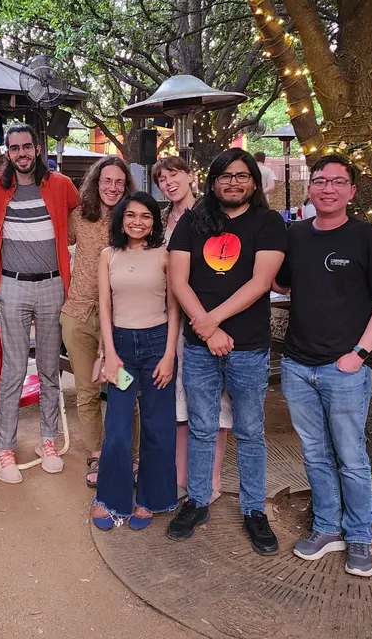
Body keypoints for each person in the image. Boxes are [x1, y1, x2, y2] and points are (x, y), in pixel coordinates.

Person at [275, 155, 372, 578]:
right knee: (314, 452)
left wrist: (360, 353)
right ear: (309, 189)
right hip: (297, 365)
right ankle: (327, 527)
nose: (327, 188)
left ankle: (360, 535)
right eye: (319, 181)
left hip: (343, 367)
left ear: (350, 190)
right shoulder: (296, 235)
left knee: (350, 455)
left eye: (337, 182)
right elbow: (282, 282)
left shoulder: (367, 237)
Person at [166, 148, 286, 554]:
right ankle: (198, 501)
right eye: (224, 176)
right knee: (201, 427)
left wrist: (208, 322)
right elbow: (179, 280)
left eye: (241, 175)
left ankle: (254, 509)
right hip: (200, 349)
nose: (232, 182)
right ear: (213, 181)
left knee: (250, 431)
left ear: (253, 181)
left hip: (248, 347)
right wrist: (206, 329)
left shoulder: (268, 223)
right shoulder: (192, 222)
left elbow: (261, 282)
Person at [0, 123, 79, 483]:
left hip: (53, 284)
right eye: (14, 148)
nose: (21, 153)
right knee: (13, 368)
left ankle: (47, 440)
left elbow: (83, 219)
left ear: (37, 149)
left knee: (50, 368)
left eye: (27, 146)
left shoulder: (62, 186)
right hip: (13, 286)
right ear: (7, 153)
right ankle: (5, 446)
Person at [92, 192, 179, 530]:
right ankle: (110, 498)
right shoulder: (108, 255)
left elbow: (174, 308)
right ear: (121, 219)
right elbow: (104, 305)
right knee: (116, 429)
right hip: (121, 347)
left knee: (158, 427)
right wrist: (109, 354)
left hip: (157, 344)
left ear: (154, 222)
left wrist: (169, 354)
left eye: (145, 216)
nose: (137, 222)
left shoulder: (163, 255)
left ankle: (151, 499)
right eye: (131, 215)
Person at [151, 156, 232, 502]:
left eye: (173, 175)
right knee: (180, 401)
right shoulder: (160, 219)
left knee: (216, 403)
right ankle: (182, 477)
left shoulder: (210, 213)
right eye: (161, 179)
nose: (168, 183)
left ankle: (212, 480)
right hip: (172, 319)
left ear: (189, 175)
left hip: (209, 315)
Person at [61, 156, 137, 487]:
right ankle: (96, 453)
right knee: (87, 391)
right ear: (96, 182)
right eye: (107, 180)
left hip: (121, 318)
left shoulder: (132, 221)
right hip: (78, 314)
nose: (112, 187)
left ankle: (129, 454)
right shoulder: (78, 216)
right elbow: (56, 245)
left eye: (119, 182)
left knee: (123, 387)